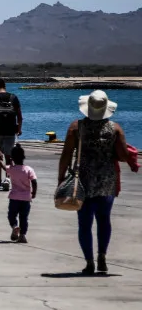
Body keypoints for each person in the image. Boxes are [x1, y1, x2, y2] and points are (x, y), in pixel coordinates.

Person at [57, 91, 133, 275]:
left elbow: (66, 154)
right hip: (107, 180)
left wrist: (60, 178)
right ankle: (102, 257)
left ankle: (89, 262)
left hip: (82, 181)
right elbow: (123, 155)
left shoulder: (76, 127)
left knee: (84, 223)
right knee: (104, 220)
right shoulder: (115, 129)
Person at [0, 79, 23, 191]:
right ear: (5, 85)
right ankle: (7, 179)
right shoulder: (14, 97)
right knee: (9, 157)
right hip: (10, 131)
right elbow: (20, 116)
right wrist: (19, 129)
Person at [0, 144, 37, 243]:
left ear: (12, 158)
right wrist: (34, 192)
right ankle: (22, 235)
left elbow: (2, 166)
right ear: (24, 157)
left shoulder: (11, 169)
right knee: (24, 217)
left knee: (12, 215)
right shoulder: (29, 169)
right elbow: (34, 181)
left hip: (14, 197)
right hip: (26, 198)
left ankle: (15, 226)